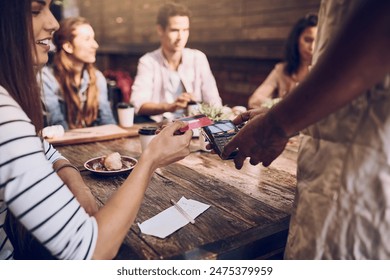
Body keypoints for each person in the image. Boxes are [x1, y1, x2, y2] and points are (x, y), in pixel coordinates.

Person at [0, 0, 192, 260]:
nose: (53, 23)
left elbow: (43, 147)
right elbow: (90, 253)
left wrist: (79, 186)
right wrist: (150, 160)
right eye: (35, 10)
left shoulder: (96, 78)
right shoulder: (10, 108)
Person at [223, 0, 390, 259]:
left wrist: (276, 124)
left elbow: (381, 31)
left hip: (364, 177)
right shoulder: (283, 69)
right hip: (330, 175)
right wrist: (277, 117)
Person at [130, 2, 222, 122]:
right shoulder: (148, 62)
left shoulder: (198, 58)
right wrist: (170, 106)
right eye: (175, 30)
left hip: (195, 126)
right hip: (160, 127)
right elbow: (138, 104)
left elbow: (214, 102)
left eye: (185, 30)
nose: (181, 37)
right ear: (160, 30)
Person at [40, 16, 116, 129]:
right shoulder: (46, 78)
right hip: (62, 145)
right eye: (87, 39)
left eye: (93, 39)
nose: (95, 45)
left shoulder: (97, 77)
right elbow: (57, 126)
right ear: (68, 46)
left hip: (94, 144)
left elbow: (107, 121)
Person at [248, 14, 318, 109]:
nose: (312, 47)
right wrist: (281, 104)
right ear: (296, 39)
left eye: (317, 42)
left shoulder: (321, 71)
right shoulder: (282, 69)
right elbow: (254, 100)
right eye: (307, 40)